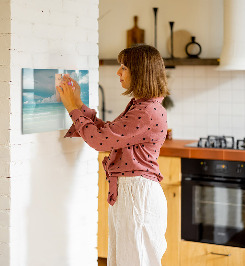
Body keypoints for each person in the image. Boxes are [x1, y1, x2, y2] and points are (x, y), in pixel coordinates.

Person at [57, 44, 169, 266]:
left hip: (137, 195)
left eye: (124, 67)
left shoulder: (146, 111)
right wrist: (78, 103)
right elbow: (108, 133)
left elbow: (100, 141)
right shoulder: (142, 106)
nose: (118, 72)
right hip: (132, 193)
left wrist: (72, 107)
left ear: (140, 72)